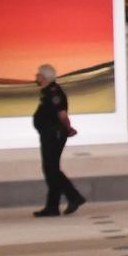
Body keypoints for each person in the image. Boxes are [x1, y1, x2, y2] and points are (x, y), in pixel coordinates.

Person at [32, 65, 84, 218]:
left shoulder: (54, 92)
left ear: (44, 77)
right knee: (51, 169)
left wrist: (68, 128)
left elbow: (61, 114)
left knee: (51, 169)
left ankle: (74, 197)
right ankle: (53, 206)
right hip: (49, 134)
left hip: (54, 134)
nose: (36, 77)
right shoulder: (47, 92)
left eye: (38, 74)